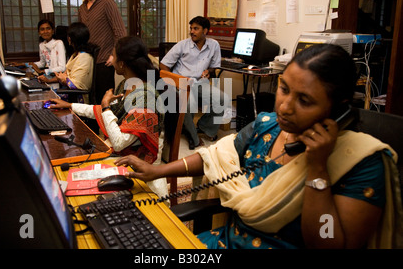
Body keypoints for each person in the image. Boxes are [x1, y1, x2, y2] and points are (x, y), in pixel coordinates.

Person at [115, 44, 403, 249]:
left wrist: (317, 168)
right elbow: (215, 157)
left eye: (304, 100)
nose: (285, 107)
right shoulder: (267, 124)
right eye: (284, 88)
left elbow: (327, 242)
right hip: (226, 241)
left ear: (337, 109)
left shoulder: (361, 162)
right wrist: (157, 171)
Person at [48, 36, 167, 198]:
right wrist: (70, 106)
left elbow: (118, 142)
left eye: (113, 55)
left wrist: (105, 106)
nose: (111, 59)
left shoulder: (145, 98)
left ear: (122, 64)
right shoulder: (128, 85)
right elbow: (105, 113)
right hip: (124, 159)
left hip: (142, 174)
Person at [160, 16, 229, 150]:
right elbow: (163, 65)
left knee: (223, 99)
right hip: (181, 82)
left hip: (199, 83)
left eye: (196, 29)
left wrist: (208, 71)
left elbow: (214, 66)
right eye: (191, 28)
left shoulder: (214, 45)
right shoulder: (182, 45)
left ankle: (205, 127)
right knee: (189, 104)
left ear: (205, 31)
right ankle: (193, 137)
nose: (192, 31)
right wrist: (174, 80)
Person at [77, 0, 127, 105]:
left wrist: (113, 55)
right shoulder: (81, 8)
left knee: (105, 102)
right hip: (88, 62)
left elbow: (121, 33)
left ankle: (106, 127)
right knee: (90, 101)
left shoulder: (107, 4)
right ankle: (91, 127)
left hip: (104, 61)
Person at [40, 22, 94, 103]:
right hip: (70, 93)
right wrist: (61, 77)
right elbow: (67, 74)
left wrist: (63, 79)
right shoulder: (76, 54)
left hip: (77, 98)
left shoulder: (84, 57)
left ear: (70, 39)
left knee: (45, 102)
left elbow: (76, 85)